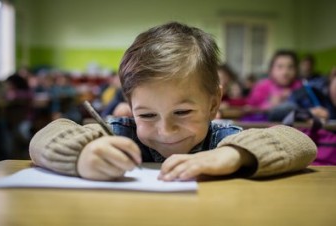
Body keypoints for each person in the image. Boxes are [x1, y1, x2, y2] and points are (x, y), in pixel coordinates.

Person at [29, 22, 316, 181]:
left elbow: (302, 143)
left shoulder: (223, 140)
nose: (165, 131)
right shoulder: (117, 133)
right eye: (148, 115)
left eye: (182, 111)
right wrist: (80, 157)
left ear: (214, 102)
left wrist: (233, 156)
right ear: (130, 106)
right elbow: (43, 138)